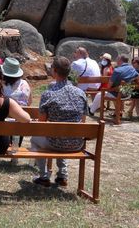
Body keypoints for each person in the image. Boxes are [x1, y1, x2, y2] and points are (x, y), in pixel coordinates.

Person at [31, 56, 88, 187]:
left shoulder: (48, 94)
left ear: (55, 71)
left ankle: (44, 176)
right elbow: (83, 121)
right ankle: (63, 175)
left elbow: (41, 124)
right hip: (76, 143)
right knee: (64, 133)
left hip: (55, 142)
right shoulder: (81, 93)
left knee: (35, 139)